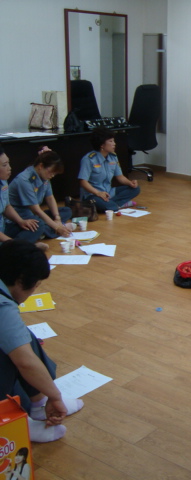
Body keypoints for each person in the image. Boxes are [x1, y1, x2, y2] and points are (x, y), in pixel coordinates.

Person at [0, 240, 84, 443]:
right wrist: (55, 396)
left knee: (22, 336)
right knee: (16, 352)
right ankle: (18, 423)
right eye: (35, 285)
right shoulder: (3, 307)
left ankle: (39, 403)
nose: (33, 292)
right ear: (21, 280)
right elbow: (25, 362)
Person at [7, 148, 74, 240]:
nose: (52, 175)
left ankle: (46, 231)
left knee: (67, 211)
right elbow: (36, 210)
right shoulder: (24, 180)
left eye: (54, 173)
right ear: (41, 166)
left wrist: (57, 218)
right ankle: (52, 231)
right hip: (21, 217)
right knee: (39, 224)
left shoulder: (44, 177)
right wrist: (57, 227)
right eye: (50, 172)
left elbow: (50, 197)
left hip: (34, 215)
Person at [78, 127, 140, 212]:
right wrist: (98, 193)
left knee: (136, 189)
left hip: (109, 192)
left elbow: (120, 177)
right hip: (93, 195)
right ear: (102, 145)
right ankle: (117, 204)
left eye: (114, 141)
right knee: (107, 205)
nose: (114, 144)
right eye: (111, 141)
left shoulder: (113, 157)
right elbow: (83, 182)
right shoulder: (89, 159)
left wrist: (130, 183)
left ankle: (113, 204)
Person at [0, 145, 46, 248]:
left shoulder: (3, 182)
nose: (9, 168)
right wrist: (14, 243)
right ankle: (21, 247)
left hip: (3, 228)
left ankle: (19, 247)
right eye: (4, 165)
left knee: (37, 224)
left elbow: (6, 206)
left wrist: (21, 221)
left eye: (8, 163)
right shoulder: (24, 179)